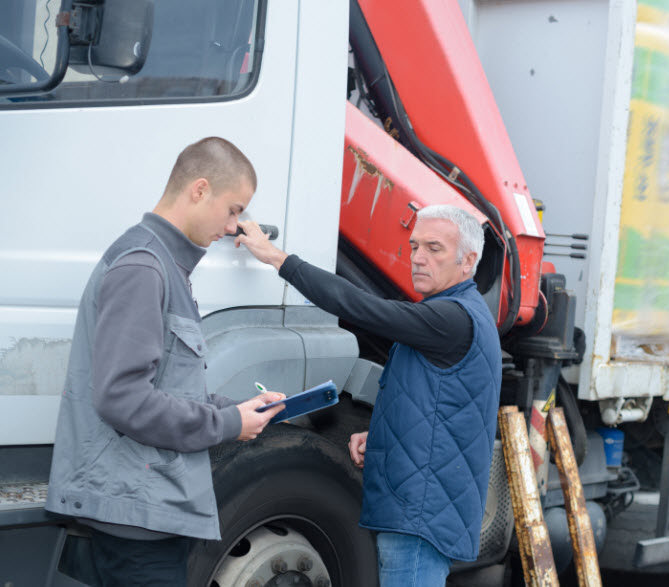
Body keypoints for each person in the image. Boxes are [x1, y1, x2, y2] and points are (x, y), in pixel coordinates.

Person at [45, 137, 285, 586]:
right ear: (199, 190)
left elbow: (168, 388)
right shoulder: (145, 267)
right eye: (233, 209)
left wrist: (235, 409)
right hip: (137, 522)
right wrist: (227, 425)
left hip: (143, 511)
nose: (236, 226)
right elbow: (122, 398)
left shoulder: (162, 264)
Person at [237, 204, 502, 586]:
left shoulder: (453, 319)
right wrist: (381, 437)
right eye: (414, 247)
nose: (418, 258)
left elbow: (362, 306)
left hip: (420, 514)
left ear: (468, 260)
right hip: (422, 507)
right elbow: (436, 402)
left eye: (434, 248)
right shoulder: (458, 314)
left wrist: (278, 259)